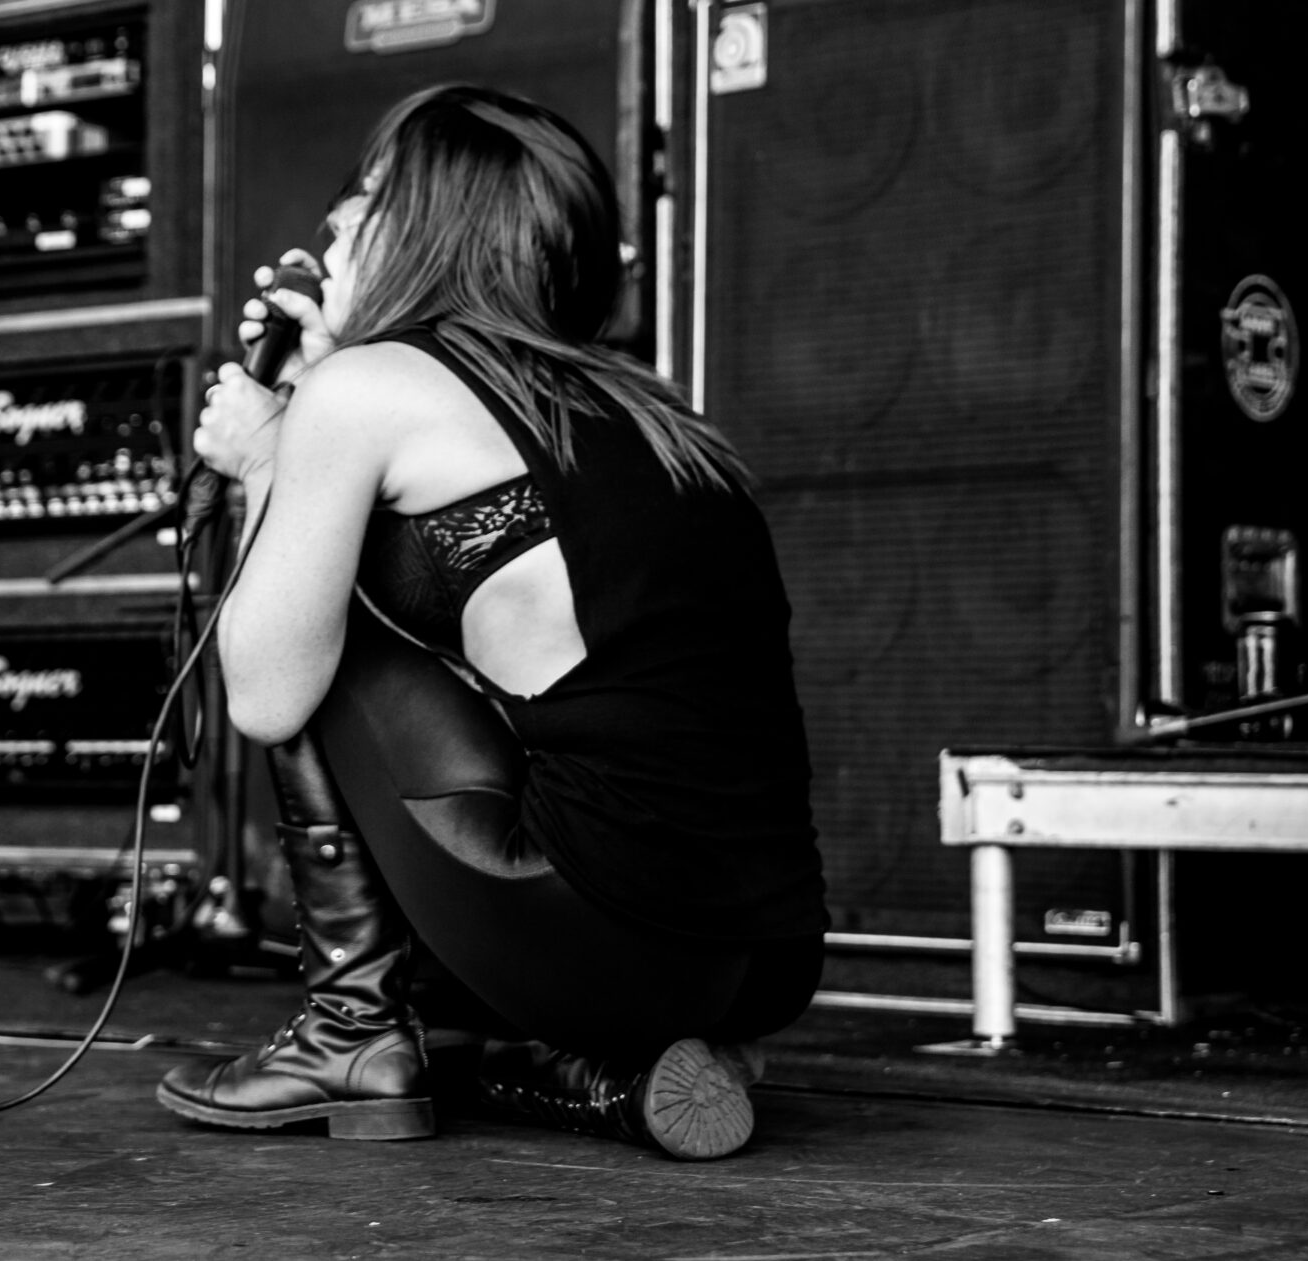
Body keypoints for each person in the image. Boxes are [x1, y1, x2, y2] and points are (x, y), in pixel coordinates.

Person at [156, 84, 827, 1161]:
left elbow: (267, 691)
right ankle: (590, 1073)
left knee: (309, 630)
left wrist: (270, 458)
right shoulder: (649, 408)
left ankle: (351, 1033)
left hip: (606, 936)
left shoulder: (367, 391)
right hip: (764, 961)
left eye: (369, 194)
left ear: (432, 223)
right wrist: (319, 394)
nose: (335, 220)